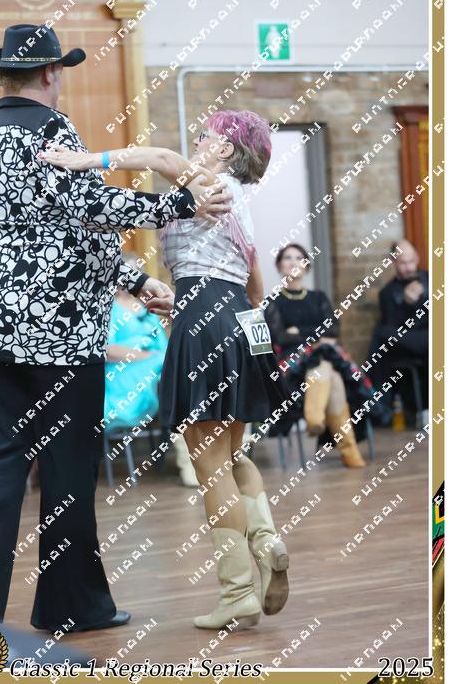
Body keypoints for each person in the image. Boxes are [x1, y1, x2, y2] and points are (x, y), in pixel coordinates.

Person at [0, 23, 230, 634]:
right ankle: (72, 605)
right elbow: (93, 210)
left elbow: (59, 228)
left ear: (5, 75)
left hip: (0, 328)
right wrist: (179, 204)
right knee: (67, 468)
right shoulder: (52, 130)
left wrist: (134, 280)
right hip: (60, 336)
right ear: (51, 73)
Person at [42, 109, 291, 631]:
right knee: (232, 453)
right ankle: (267, 542)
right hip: (236, 321)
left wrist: (84, 160)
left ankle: (238, 592)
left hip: (206, 325)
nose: (197, 142)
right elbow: (253, 287)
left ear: (226, 150)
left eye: (206, 136)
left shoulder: (211, 185)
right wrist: (189, 301)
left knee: (209, 464)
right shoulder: (237, 202)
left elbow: (159, 157)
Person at [265, 244, 375, 468]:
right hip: (293, 366)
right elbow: (279, 338)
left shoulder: (318, 297)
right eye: (288, 258)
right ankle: (349, 450)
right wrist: (315, 337)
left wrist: (297, 332)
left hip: (325, 359)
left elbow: (333, 330)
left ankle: (315, 418)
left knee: (326, 365)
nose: (294, 262)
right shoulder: (274, 301)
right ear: (279, 266)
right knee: (327, 368)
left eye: (299, 258)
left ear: (307, 266)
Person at [367, 239, 429, 421]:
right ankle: (379, 406)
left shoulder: (433, 279)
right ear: (393, 262)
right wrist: (406, 304)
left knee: (380, 334)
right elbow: (394, 331)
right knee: (383, 336)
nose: (409, 268)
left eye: (411, 261)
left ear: (417, 258)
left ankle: (375, 406)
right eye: (403, 263)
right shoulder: (387, 293)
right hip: (411, 343)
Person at [104, 255, 168, 430]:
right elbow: (106, 350)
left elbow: (164, 347)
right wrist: (147, 356)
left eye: (136, 272)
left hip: (156, 369)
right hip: (122, 372)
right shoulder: (110, 308)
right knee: (164, 362)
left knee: (174, 366)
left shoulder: (148, 308)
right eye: (127, 272)